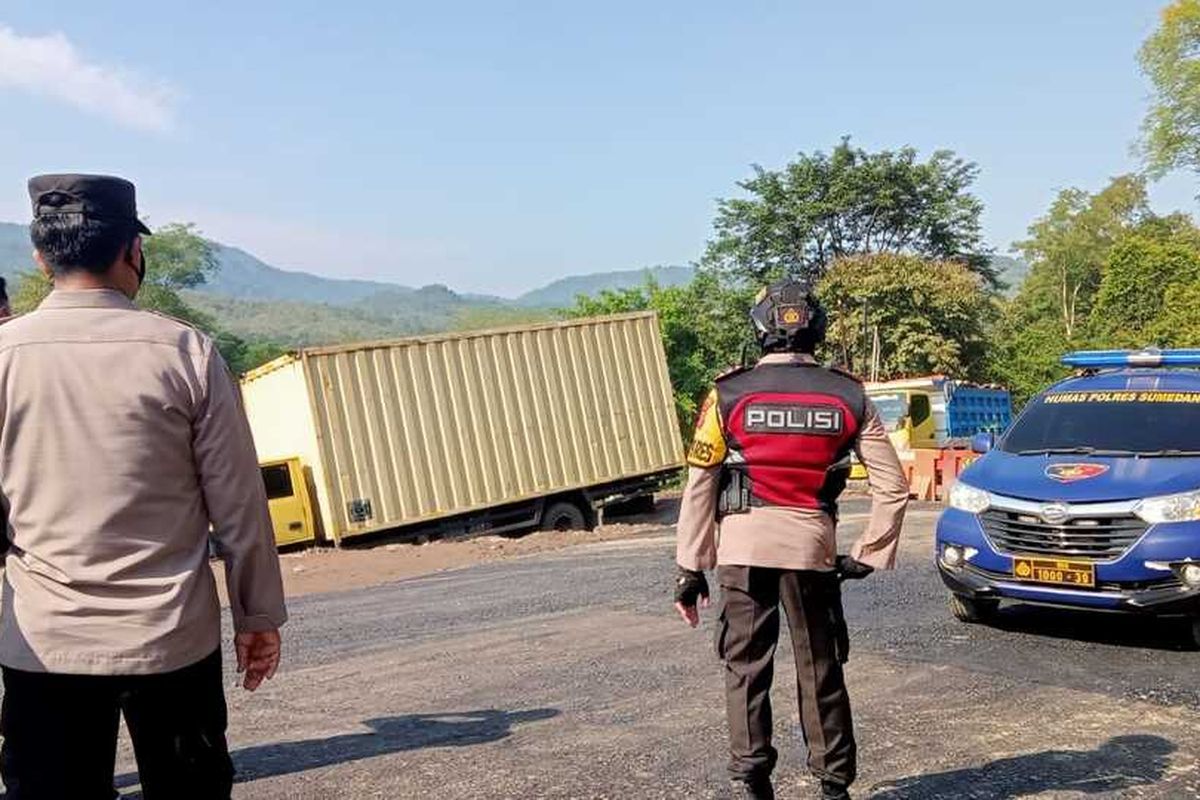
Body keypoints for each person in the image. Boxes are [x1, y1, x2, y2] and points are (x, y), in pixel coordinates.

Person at [0, 174, 288, 799]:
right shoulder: (185, 352)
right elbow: (239, 507)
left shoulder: (4, 357)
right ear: (133, 250)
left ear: (41, 256)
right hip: (171, 643)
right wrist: (257, 615)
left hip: (45, 646)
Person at [673, 280, 909, 800]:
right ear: (816, 329)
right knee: (820, 667)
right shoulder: (849, 395)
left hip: (740, 551)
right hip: (812, 552)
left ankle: (753, 780)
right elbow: (893, 486)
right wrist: (868, 554)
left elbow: (700, 483)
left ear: (759, 330)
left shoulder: (726, 395)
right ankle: (833, 787)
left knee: (745, 668)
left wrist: (691, 568)